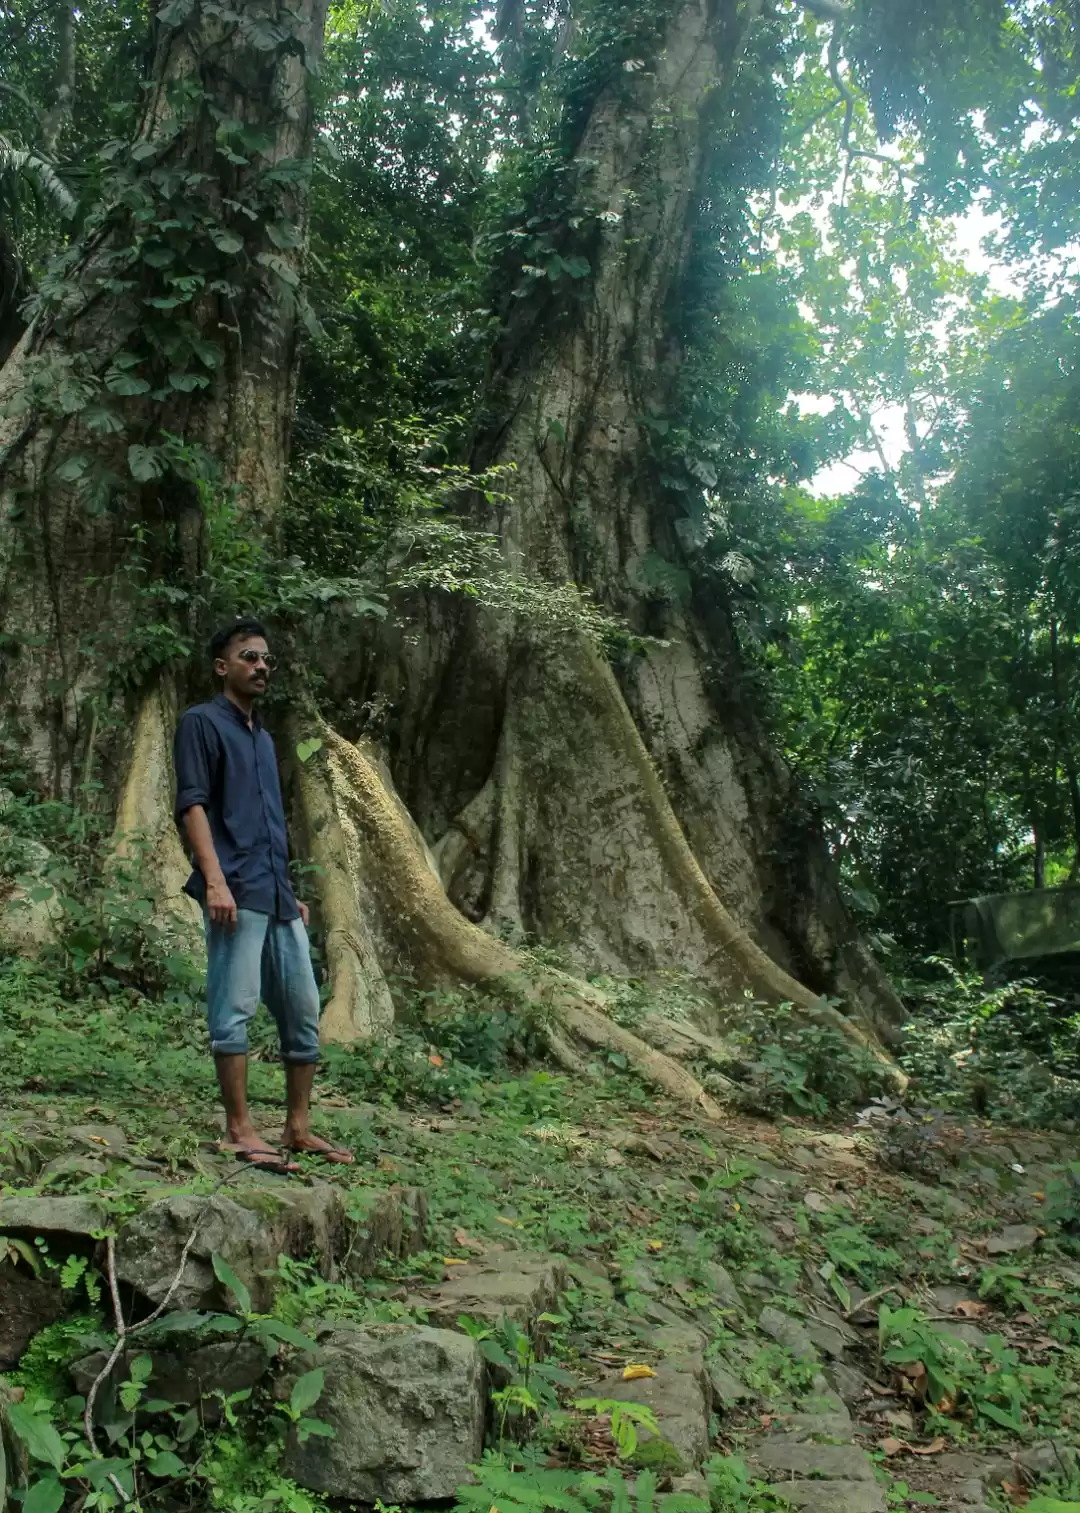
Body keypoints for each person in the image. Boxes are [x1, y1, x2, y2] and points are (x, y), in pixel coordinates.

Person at [173, 616, 353, 1169]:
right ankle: (239, 1129)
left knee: (302, 1011)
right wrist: (215, 881)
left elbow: (268, 822)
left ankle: (297, 1128)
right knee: (234, 1009)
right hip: (234, 891)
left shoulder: (265, 737)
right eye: (249, 657)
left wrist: (289, 888)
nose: (261, 667)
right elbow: (193, 805)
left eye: (266, 659)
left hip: (275, 896)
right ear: (222, 666)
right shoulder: (200, 723)